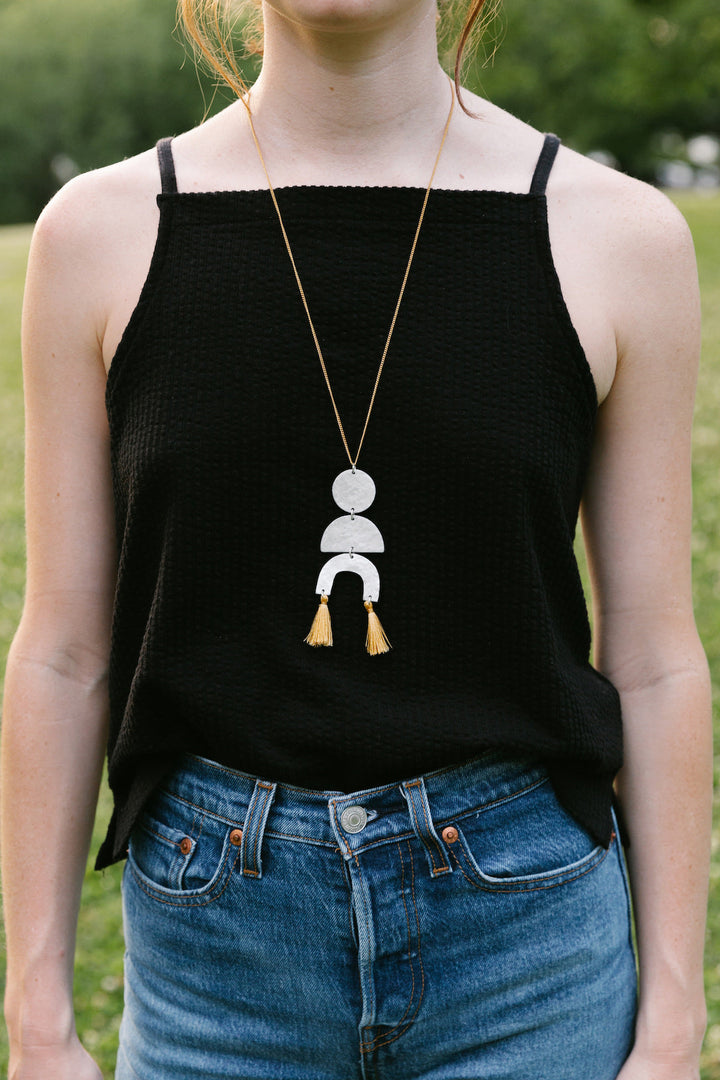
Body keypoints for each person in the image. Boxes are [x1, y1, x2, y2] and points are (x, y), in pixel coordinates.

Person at [1, 0, 713, 1074]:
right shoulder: (100, 236)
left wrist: (673, 1021)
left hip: (531, 963)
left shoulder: (615, 237)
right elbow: (62, 655)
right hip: (213, 971)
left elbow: (655, 661)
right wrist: (38, 1020)